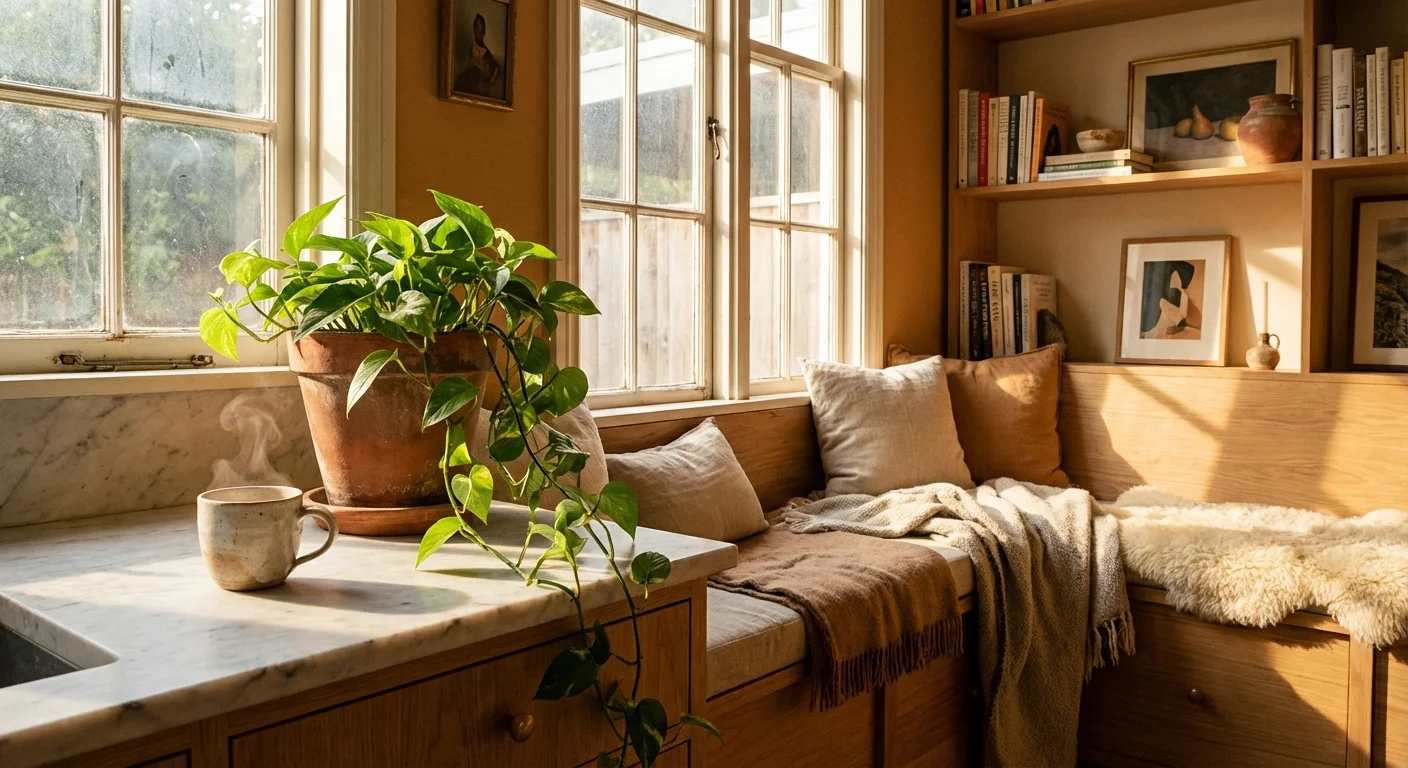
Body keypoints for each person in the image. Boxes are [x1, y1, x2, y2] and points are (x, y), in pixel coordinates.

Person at [455, 12, 503, 98]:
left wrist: (481, 67)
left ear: (484, 32)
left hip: (479, 80)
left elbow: (491, 71)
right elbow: (469, 63)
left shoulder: (486, 53)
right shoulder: (471, 48)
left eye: (481, 30)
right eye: (477, 29)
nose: (479, 33)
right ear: (474, 30)